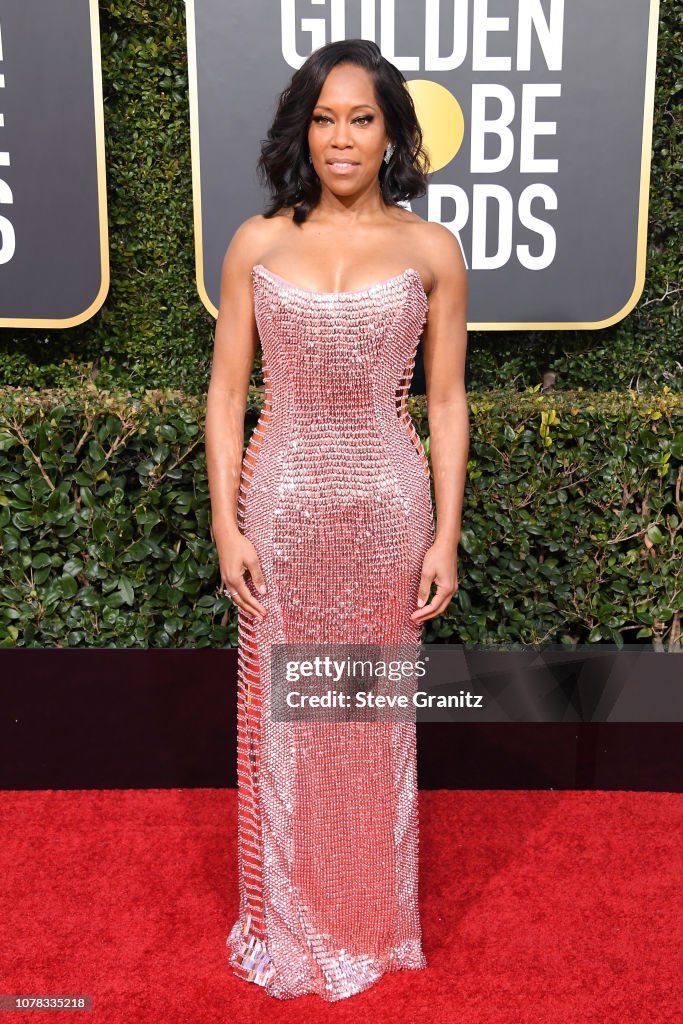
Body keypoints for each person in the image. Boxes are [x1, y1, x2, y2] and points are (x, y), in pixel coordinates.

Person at [205, 38, 469, 1002]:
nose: (342, 137)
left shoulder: (430, 249)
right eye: (324, 118)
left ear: (393, 131)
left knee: (368, 723)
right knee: (286, 721)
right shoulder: (257, 242)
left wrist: (443, 532)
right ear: (301, 130)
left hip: (388, 514)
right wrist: (227, 528)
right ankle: (292, 916)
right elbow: (227, 392)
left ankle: (367, 918)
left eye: (361, 118)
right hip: (279, 513)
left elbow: (444, 403)